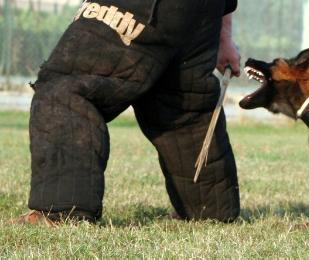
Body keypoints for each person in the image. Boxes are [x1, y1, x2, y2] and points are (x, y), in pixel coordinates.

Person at [14, 0, 241, 225]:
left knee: (67, 86)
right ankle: (209, 209)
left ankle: (62, 210)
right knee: (183, 109)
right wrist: (224, 36)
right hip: (204, 12)